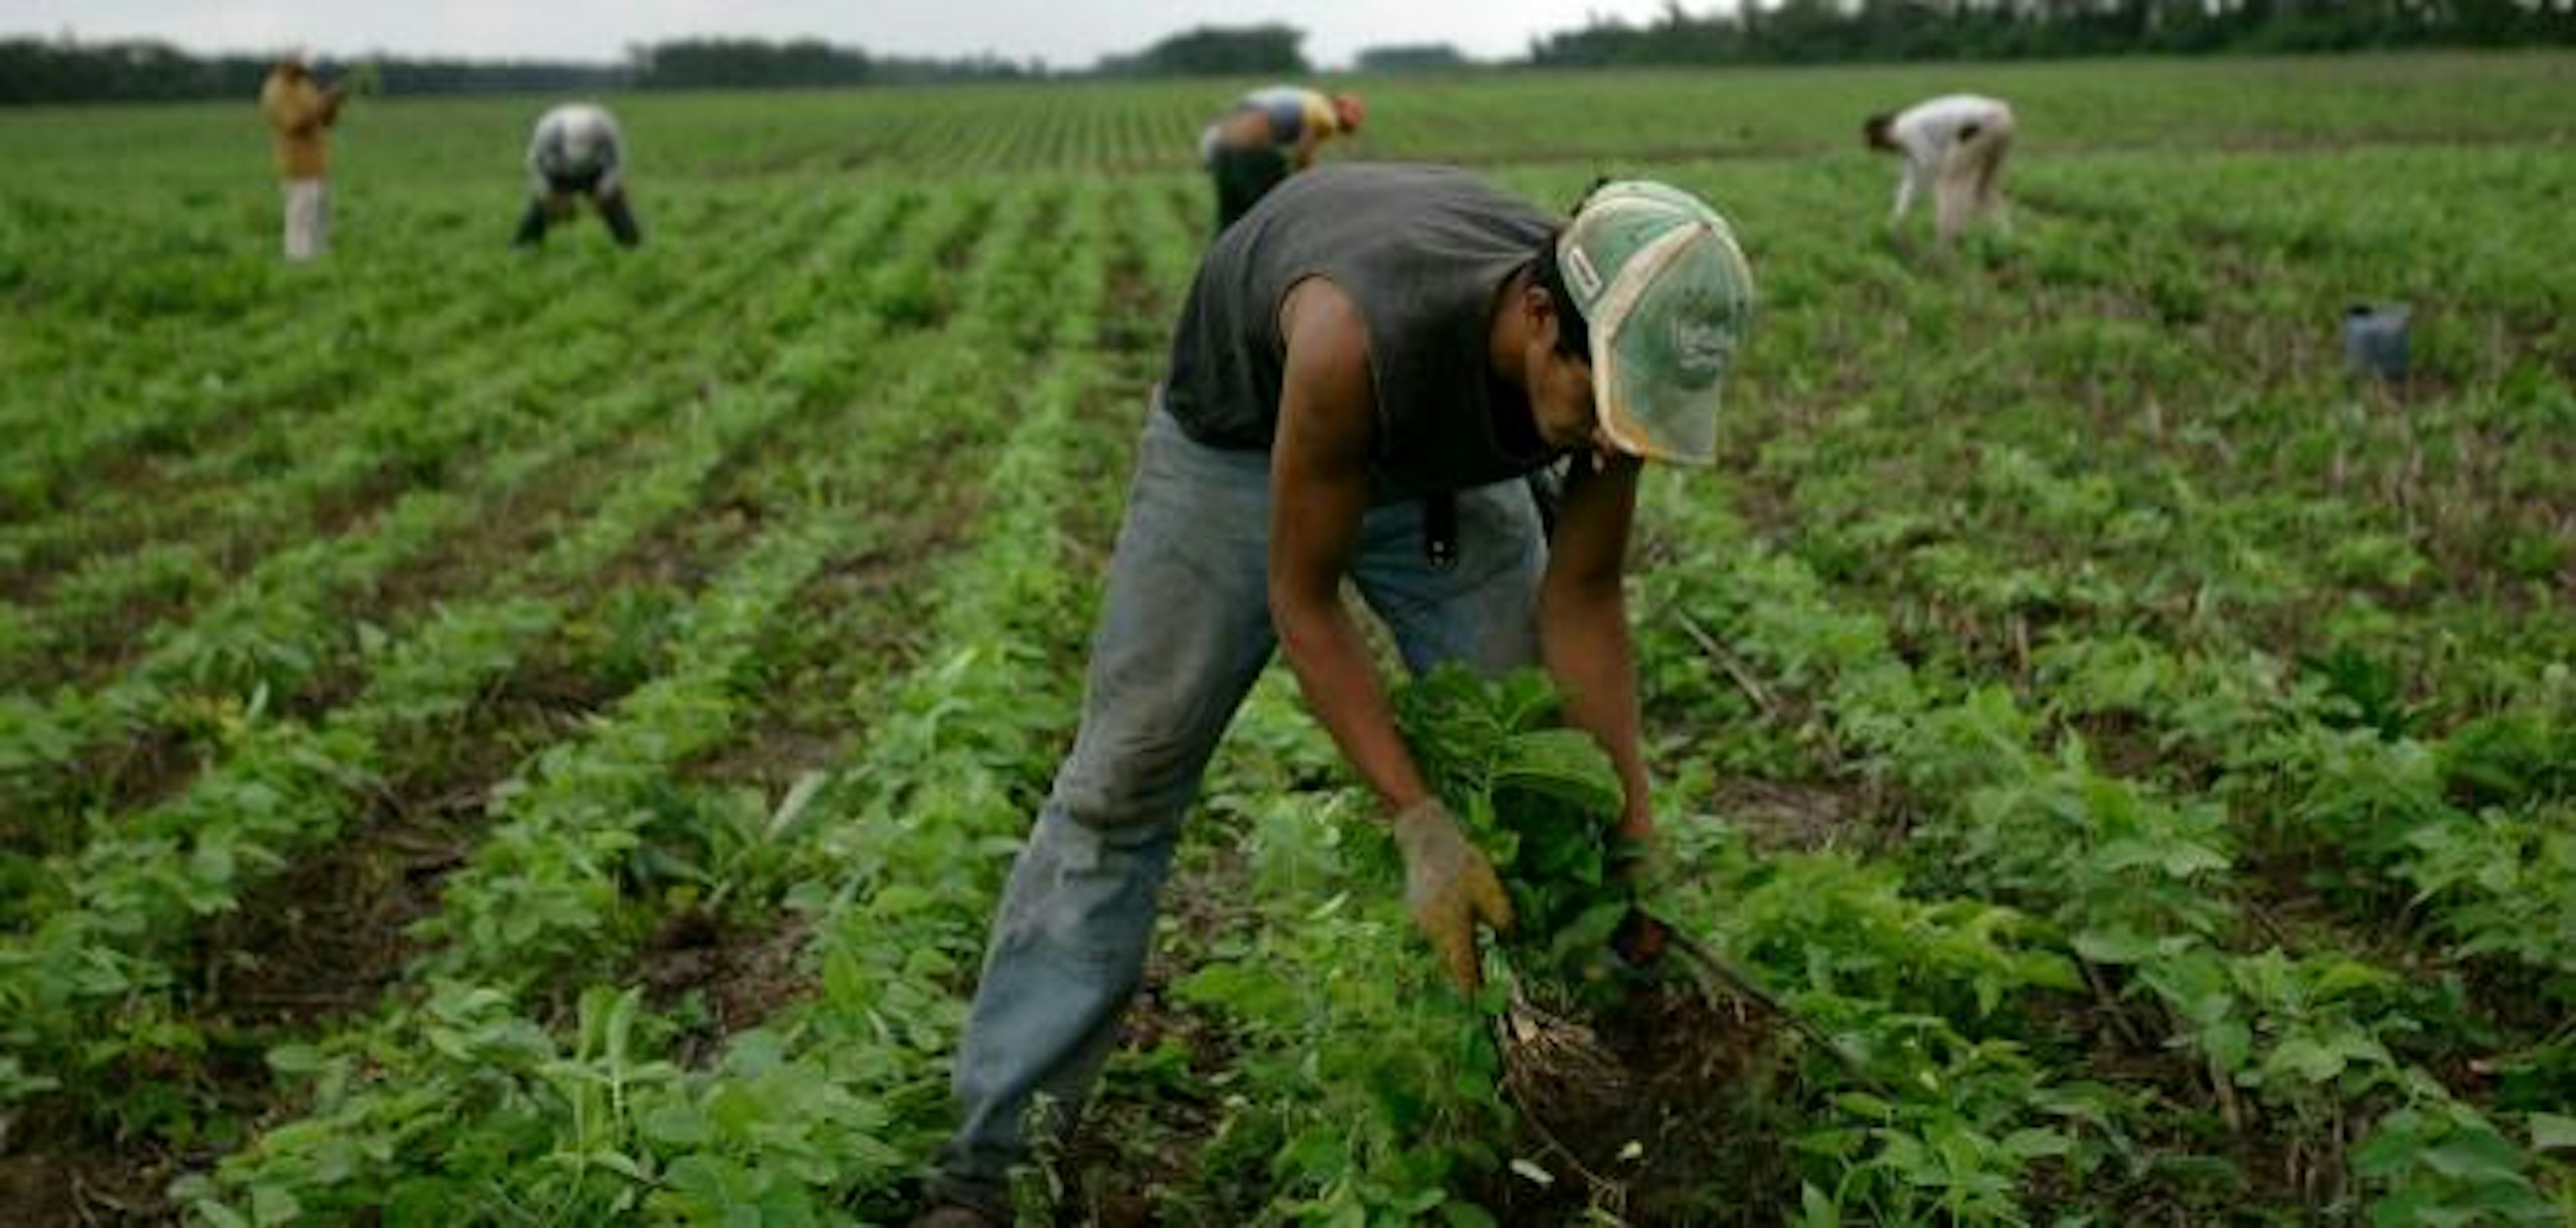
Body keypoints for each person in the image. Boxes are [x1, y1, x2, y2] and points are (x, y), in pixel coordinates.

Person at [912, 165, 1756, 1227]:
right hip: (1247, 450)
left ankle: (1572, 1091)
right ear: (1540, 318)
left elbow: (1583, 595)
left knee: (1535, 764)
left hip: (1449, 465)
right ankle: (989, 1170)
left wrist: (1632, 832)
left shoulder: (1610, 342)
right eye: (1600, 405)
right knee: (1122, 786)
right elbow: (1304, 603)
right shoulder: (1351, 330)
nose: (1607, 441)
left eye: (1634, 422)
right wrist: (1420, 822)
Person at [1198, 85, 1365, 232]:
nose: (1336, 132)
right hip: (1251, 152)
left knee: (1231, 219)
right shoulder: (1327, 115)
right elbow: (1302, 155)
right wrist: (1310, 185)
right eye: (1343, 128)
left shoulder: (1302, 98)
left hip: (1222, 151)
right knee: (1274, 213)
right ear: (1342, 116)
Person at [1864, 93, 2016, 250]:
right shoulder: (1912, 124)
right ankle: (2005, 239)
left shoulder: (1903, 129)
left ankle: (1947, 245)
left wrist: (1900, 217)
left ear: (1885, 132)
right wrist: (1899, 215)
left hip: (1981, 124)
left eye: (1881, 145)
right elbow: (1912, 174)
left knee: (1947, 182)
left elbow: (1928, 165)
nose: (1888, 151)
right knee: (1984, 189)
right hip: (2003, 117)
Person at [258, 53, 348, 262]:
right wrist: (323, 102)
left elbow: (325, 121)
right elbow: (294, 124)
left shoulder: (304, 84)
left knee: (319, 231)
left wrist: (333, 103)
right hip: (296, 170)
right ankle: (298, 271)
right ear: (284, 62)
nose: (305, 66)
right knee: (300, 232)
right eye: (299, 61)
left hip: (318, 169)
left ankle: (317, 271)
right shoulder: (275, 89)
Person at [514, 103, 641, 249]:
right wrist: (548, 193)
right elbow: (534, 165)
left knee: (615, 204)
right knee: (540, 208)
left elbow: (618, 160)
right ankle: (523, 248)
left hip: (596, 170)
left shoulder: (607, 127)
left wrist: (606, 188)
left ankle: (632, 247)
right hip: (558, 170)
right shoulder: (547, 129)